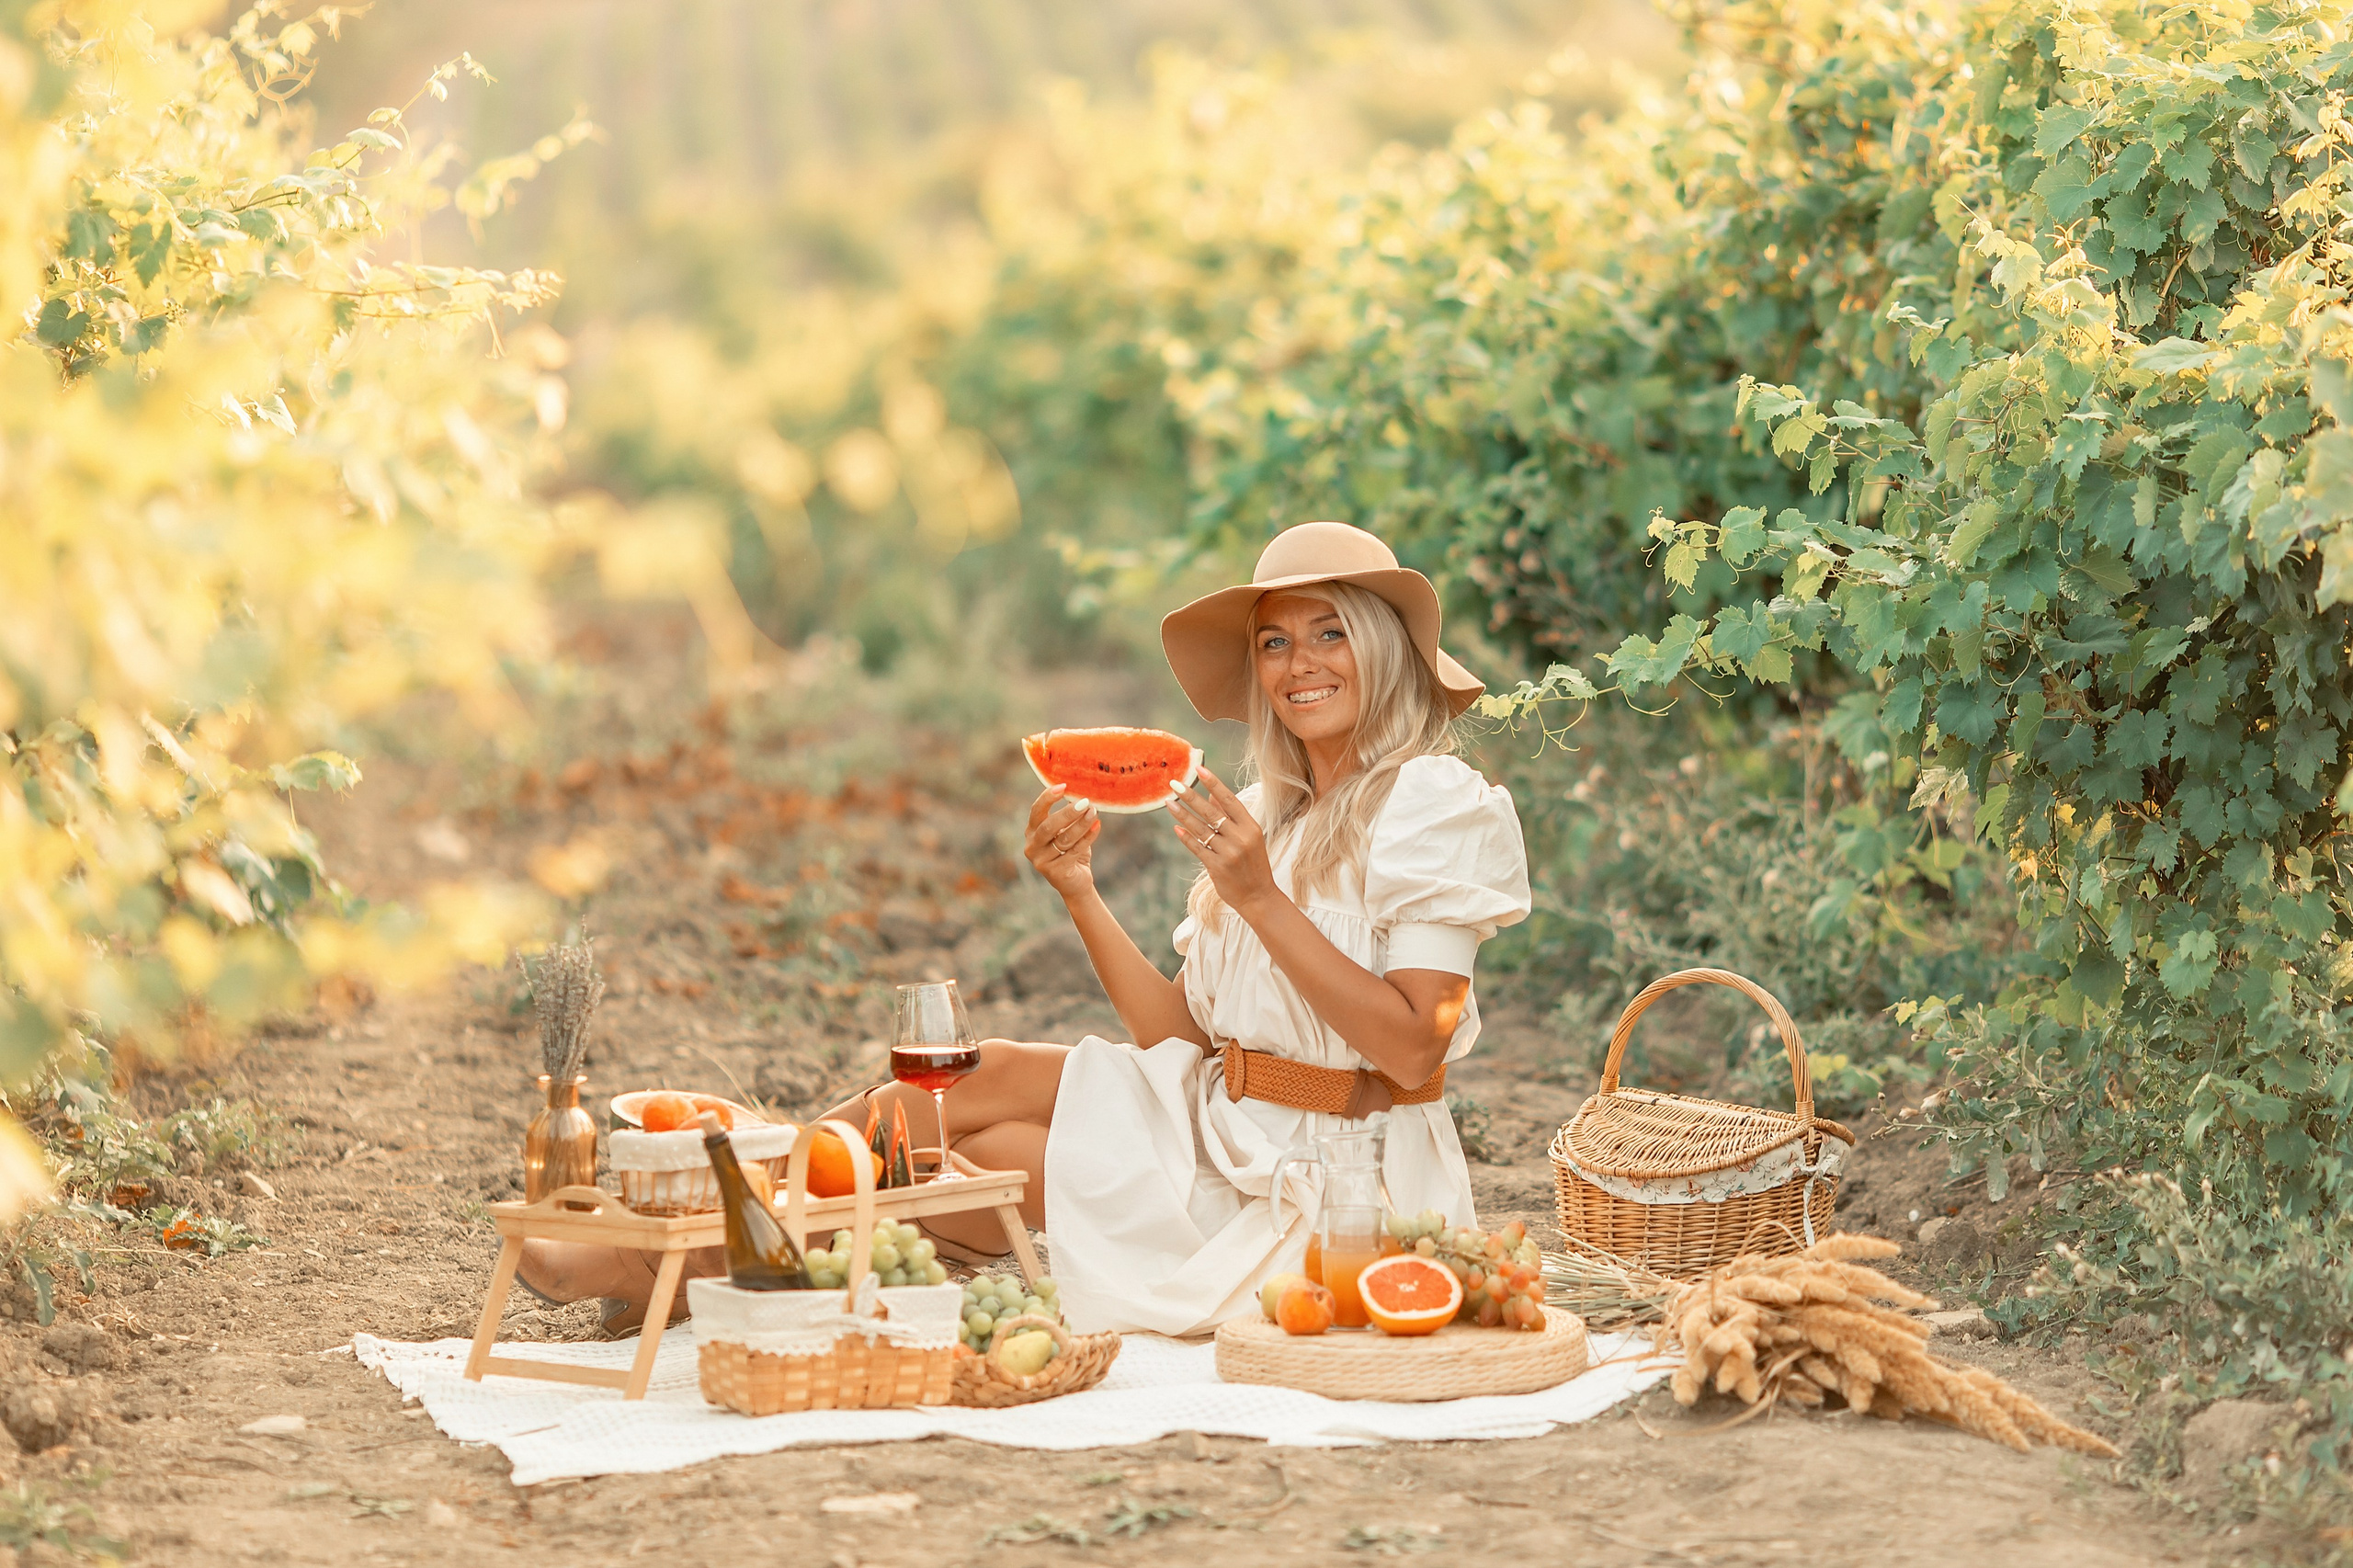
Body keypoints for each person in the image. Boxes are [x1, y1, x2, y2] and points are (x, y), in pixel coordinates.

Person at [832, 520, 1529, 1336]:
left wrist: (1262, 900)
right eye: (1273, 642)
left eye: (1329, 633)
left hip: (1333, 1175)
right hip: (1221, 1119)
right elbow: (1184, 1040)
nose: (1298, 663)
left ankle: (721, 1243)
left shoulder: (1433, 802)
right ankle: (738, 1185)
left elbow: (1415, 1047)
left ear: (1382, 651)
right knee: (981, 1079)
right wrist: (1079, 892)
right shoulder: (1274, 813)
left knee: (989, 1163)